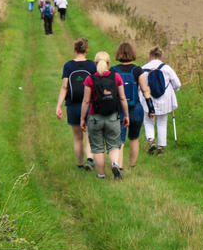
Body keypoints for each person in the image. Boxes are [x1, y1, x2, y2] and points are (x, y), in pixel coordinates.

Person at [81, 51, 129, 179]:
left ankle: (101, 175)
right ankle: (114, 163)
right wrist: (127, 116)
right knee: (114, 145)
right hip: (113, 117)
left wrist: (82, 118)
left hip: (95, 117)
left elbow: (86, 101)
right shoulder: (116, 77)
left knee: (97, 148)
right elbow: (123, 98)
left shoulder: (89, 79)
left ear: (95, 63)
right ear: (109, 63)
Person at [111, 43, 156, 170]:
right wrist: (151, 109)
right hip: (136, 108)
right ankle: (133, 165)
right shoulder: (137, 70)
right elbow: (145, 91)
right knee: (134, 138)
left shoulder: (113, 70)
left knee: (120, 140)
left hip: (119, 109)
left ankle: (118, 166)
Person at [56, 38, 96, 171]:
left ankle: (79, 165)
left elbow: (65, 87)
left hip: (73, 106)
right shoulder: (91, 66)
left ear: (74, 49)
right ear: (87, 50)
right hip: (89, 105)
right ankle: (90, 161)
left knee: (77, 137)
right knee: (89, 136)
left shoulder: (68, 66)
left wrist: (59, 106)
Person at [141, 47, 181, 155]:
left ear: (150, 56)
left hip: (149, 100)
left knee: (148, 121)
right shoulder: (167, 68)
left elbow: (140, 86)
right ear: (161, 56)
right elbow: (177, 84)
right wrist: (173, 90)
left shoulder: (143, 68)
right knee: (162, 122)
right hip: (165, 100)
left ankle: (151, 140)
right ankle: (160, 148)